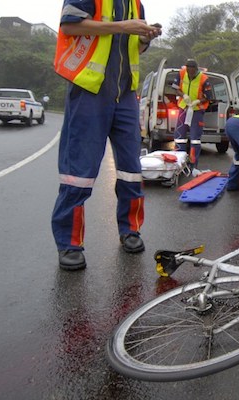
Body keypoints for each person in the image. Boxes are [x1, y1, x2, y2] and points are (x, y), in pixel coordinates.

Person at [52, 0, 162, 271]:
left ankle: (130, 230)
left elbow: (134, 47)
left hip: (125, 94)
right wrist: (122, 26)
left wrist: (145, 37)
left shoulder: (137, 5)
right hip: (89, 90)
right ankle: (69, 244)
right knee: (79, 172)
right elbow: (69, 25)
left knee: (131, 170)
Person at [171, 58, 214, 176]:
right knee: (180, 136)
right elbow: (175, 88)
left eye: (192, 71)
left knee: (195, 139)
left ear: (196, 69)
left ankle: (193, 166)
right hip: (184, 107)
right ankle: (179, 165)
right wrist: (183, 95)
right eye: (188, 70)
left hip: (197, 110)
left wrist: (197, 101)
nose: (190, 73)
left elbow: (209, 96)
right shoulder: (181, 73)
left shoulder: (204, 79)